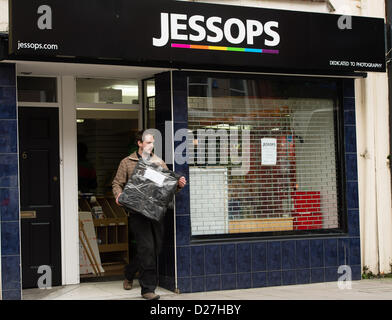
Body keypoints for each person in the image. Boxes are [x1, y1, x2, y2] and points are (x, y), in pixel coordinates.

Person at [112, 130, 186, 300]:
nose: (151, 146)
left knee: (155, 249)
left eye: (153, 143)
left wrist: (179, 184)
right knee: (147, 250)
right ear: (139, 143)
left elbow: (168, 186)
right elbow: (117, 183)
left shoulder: (158, 162)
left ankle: (130, 272)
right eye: (148, 143)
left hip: (156, 212)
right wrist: (118, 196)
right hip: (137, 213)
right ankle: (147, 290)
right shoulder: (127, 162)